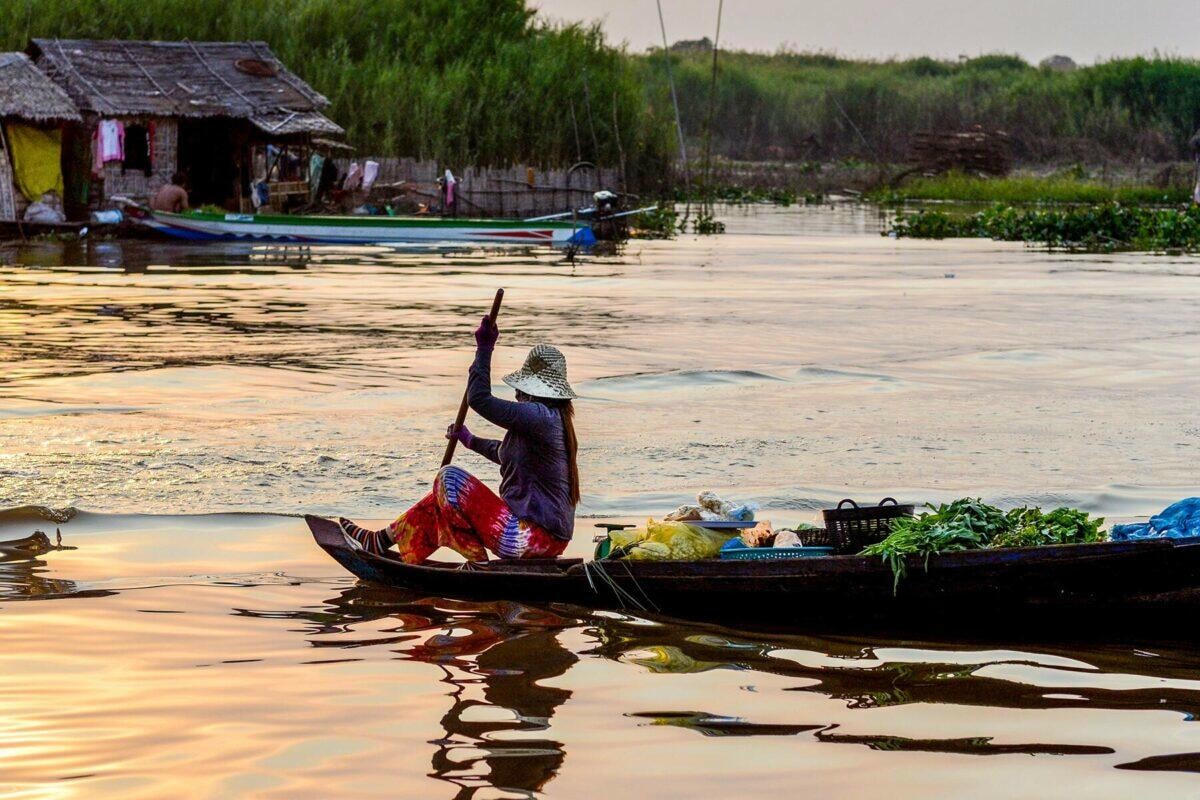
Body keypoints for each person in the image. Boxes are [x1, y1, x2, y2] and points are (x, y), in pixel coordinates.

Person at [338, 317, 580, 563]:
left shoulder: (540, 416)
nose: (516, 393)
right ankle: (381, 540)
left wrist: (485, 348)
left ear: (535, 390)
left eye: (522, 388)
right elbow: (504, 454)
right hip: (539, 539)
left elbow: (480, 399)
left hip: (532, 539)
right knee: (440, 501)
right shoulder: (546, 421)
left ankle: (478, 563)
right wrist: (469, 440)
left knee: (449, 478)